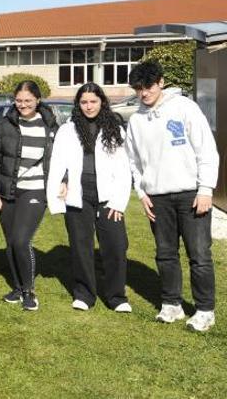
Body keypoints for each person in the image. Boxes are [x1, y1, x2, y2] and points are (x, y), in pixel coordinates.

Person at [125, 61, 219, 332]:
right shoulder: (136, 120)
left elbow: (206, 151)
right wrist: (142, 193)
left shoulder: (185, 108)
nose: (144, 94)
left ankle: (204, 310)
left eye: (149, 87)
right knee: (165, 254)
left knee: (199, 255)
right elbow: (134, 162)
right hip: (157, 197)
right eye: (139, 88)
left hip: (191, 194)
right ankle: (172, 304)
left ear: (161, 83)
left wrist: (205, 190)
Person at [47, 83, 132, 313]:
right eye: (84, 102)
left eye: (93, 101)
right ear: (78, 104)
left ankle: (117, 296)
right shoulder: (68, 130)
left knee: (115, 246)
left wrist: (119, 201)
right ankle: (84, 294)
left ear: (101, 102)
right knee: (80, 246)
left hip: (108, 196)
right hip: (78, 195)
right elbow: (58, 163)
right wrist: (59, 188)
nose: (88, 106)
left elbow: (124, 168)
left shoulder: (115, 128)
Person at [0, 80, 59, 310]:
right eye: (18, 100)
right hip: (7, 191)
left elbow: (60, 160)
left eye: (28, 100)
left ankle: (29, 291)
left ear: (38, 100)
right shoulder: (1, 126)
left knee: (20, 240)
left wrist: (63, 181)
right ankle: (17, 288)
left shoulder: (51, 126)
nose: (23, 105)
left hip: (35, 189)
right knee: (10, 243)